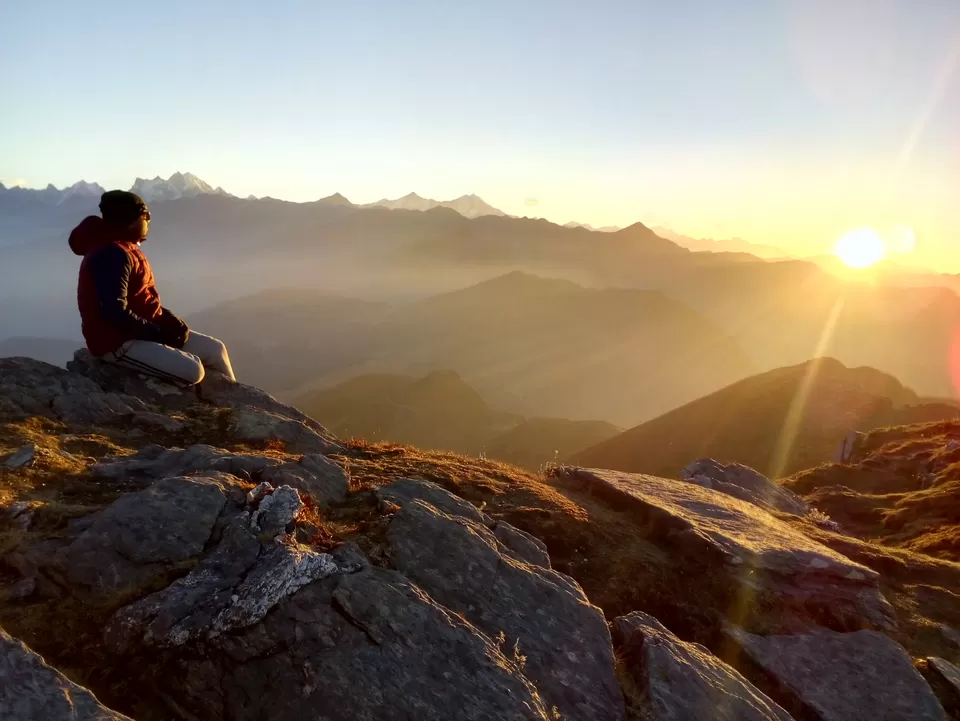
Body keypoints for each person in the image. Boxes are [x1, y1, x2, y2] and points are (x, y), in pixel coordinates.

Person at [69, 190, 236, 385]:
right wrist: (158, 333)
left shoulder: (125, 248)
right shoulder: (111, 254)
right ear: (130, 220)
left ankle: (234, 400)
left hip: (142, 330)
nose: (148, 221)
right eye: (145, 216)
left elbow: (141, 299)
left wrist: (168, 319)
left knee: (215, 350)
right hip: (117, 343)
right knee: (193, 370)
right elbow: (113, 311)